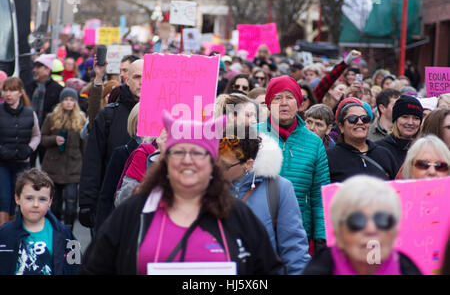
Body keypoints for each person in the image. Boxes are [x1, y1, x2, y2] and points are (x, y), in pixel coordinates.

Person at [79, 110, 283, 275]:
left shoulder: (238, 216)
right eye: (178, 151)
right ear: (165, 160)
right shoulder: (134, 213)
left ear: (212, 163)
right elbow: (93, 268)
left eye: (197, 152)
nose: (187, 160)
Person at [219, 124, 311, 274]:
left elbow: (294, 249)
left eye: (225, 165)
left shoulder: (279, 188)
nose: (218, 168)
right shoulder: (208, 188)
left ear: (248, 164)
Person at [255, 75, 330, 254]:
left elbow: (320, 195)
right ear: (268, 103)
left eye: (289, 97)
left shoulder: (314, 143)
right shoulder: (251, 135)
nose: (283, 103)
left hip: (298, 233)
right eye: (277, 97)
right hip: (257, 231)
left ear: (299, 103)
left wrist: (321, 237)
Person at [302, 175, 422, 275]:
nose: (371, 229)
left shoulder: (409, 270)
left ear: (396, 230)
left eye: (383, 220)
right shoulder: (317, 270)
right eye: (356, 221)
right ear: (338, 232)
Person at [78, 59, 143, 230]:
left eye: (147, 77)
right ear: (126, 79)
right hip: (110, 204)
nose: (142, 82)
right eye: (137, 77)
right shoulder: (109, 115)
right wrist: (87, 201)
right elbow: (93, 160)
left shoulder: (162, 115)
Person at [0, 168, 79, 275]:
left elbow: (76, 266)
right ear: (17, 198)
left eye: (42, 199)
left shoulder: (66, 234)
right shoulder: (4, 234)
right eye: (29, 198)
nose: (35, 204)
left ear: (50, 201)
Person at [40, 88, 86, 228]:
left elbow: (84, 145)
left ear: (75, 103)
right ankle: (55, 230)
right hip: (53, 166)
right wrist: (54, 139)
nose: (68, 103)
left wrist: (85, 166)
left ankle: (68, 231)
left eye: (71, 100)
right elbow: (42, 139)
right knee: (55, 204)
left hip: (73, 167)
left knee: (71, 203)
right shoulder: (51, 118)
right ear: (61, 102)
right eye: (66, 99)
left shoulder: (81, 119)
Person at [326, 97, 398, 183]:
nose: (360, 122)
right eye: (352, 119)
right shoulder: (329, 157)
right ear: (341, 127)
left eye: (364, 119)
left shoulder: (384, 154)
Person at [0, 77, 41, 226]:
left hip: (22, 162)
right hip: (2, 163)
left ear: (19, 92)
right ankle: (4, 236)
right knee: (4, 199)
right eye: (6, 90)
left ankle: (14, 230)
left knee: (17, 199)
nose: (8, 94)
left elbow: (37, 135)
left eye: (12, 90)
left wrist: (29, 148)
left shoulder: (30, 113)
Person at [26, 54, 64, 166]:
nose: (35, 70)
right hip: (29, 135)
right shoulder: (28, 87)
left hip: (47, 136)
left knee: (47, 169)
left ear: (48, 69)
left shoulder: (57, 89)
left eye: (38, 67)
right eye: (34, 67)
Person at [376, 95, 423, 172]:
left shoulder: (425, 148)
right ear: (396, 120)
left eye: (416, 118)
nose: (410, 123)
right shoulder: (380, 148)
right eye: (405, 117)